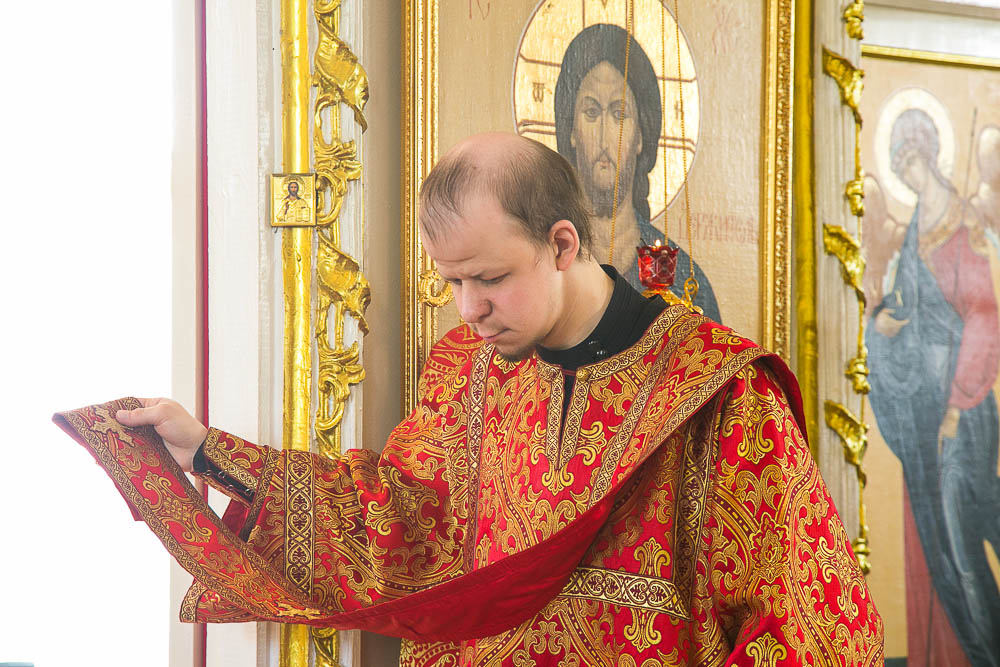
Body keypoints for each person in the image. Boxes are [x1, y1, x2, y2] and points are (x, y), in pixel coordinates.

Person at [56, 133, 882, 666]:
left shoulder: (719, 396)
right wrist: (206, 449)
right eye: (452, 281)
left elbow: (813, 626)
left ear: (562, 243)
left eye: (489, 277)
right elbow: (388, 523)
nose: (469, 309)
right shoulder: (464, 371)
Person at [867, 109, 1000, 665]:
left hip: (963, 411)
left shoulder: (964, 226)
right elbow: (905, 309)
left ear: (927, 155)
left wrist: (956, 405)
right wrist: (880, 325)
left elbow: (984, 318)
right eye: (900, 168)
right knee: (942, 543)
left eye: (911, 163)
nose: (908, 175)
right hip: (925, 416)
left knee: (962, 541)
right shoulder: (914, 233)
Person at [554, 23, 721, 321]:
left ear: (641, 136)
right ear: (572, 132)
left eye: (620, 114)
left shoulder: (684, 279)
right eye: (591, 113)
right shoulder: (545, 261)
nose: (605, 136)